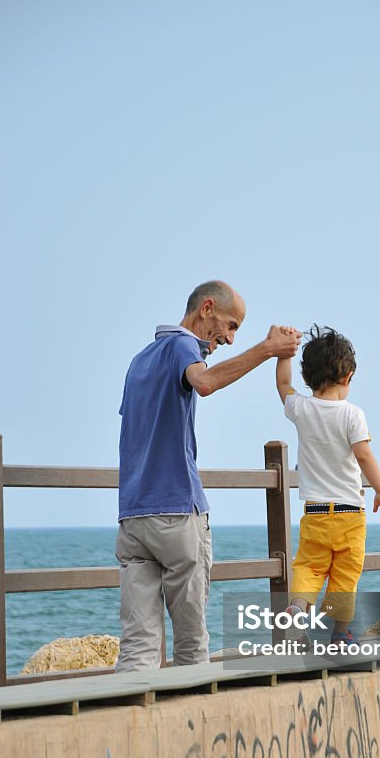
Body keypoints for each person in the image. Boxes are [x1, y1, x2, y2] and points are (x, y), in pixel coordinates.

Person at [115, 280, 301, 671]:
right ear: (207, 308)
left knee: (137, 645)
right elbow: (206, 382)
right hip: (178, 513)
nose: (231, 339)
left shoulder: (139, 361)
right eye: (231, 325)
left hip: (133, 516)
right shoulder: (183, 345)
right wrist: (268, 350)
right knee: (191, 643)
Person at [276, 325, 380, 646]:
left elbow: (283, 383)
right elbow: (364, 456)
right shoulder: (353, 414)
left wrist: (283, 353)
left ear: (307, 377)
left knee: (309, 570)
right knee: (344, 577)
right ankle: (339, 635)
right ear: (348, 376)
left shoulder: (301, 409)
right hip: (349, 514)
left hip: (314, 513)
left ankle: (297, 612)